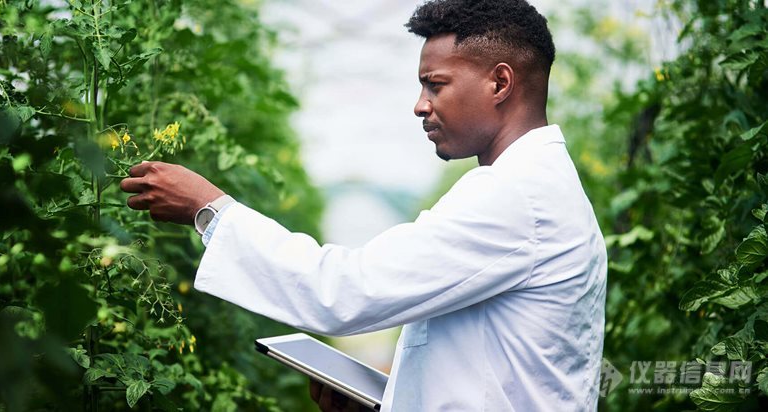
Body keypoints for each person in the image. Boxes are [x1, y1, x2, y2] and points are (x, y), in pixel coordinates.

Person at [120, 0, 607, 410]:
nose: (420, 104)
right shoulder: (535, 187)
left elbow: (345, 290)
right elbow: (489, 373)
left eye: (434, 84)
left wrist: (208, 210)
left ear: (500, 84)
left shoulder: (516, 195)